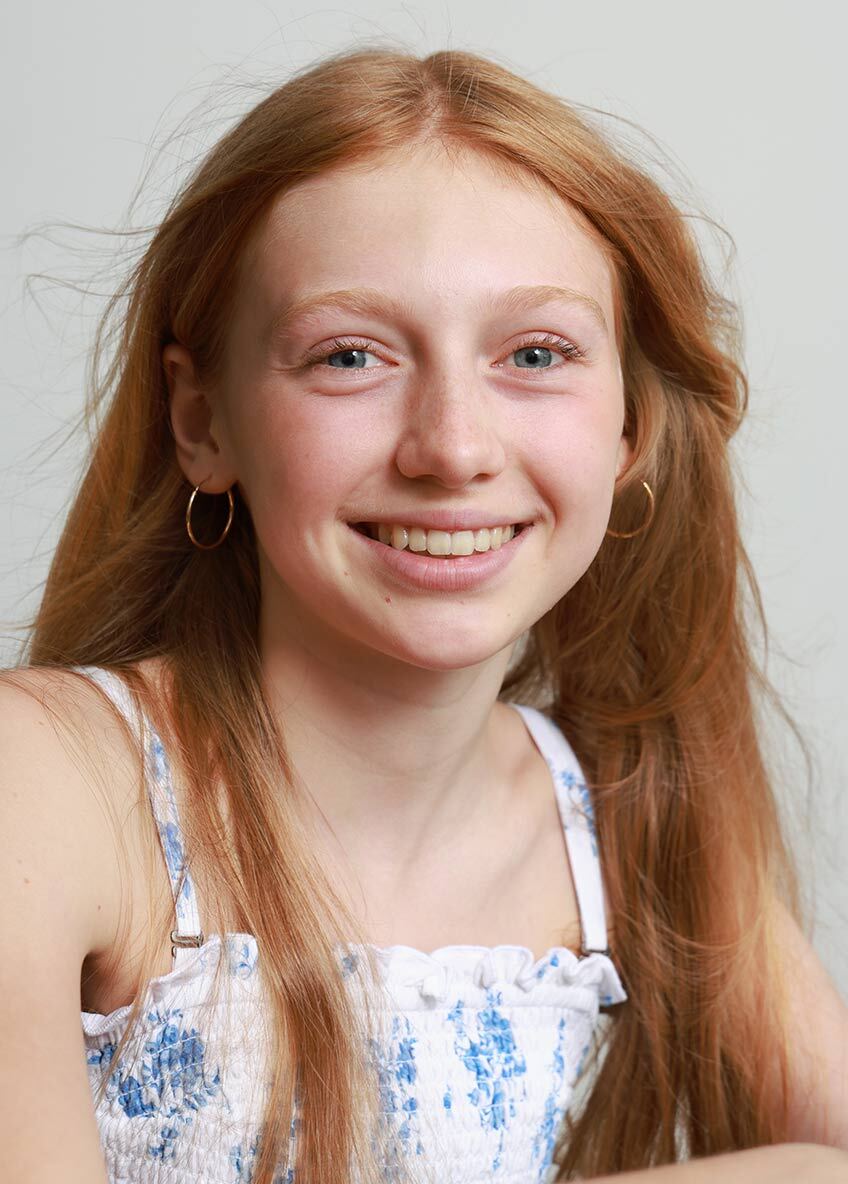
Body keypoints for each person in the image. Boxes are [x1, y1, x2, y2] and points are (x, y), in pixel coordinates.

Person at [1, 44, 846, 1184]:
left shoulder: (630, 820)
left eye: (534, 353)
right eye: (349, 355)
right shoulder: (47, 780)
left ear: (628, 429)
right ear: (202, 423)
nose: (451, 448)